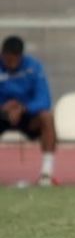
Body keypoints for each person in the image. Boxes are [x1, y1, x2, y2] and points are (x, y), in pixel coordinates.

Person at [0, 36, 57, 185]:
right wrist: (4, 108)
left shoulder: (34, 67)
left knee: (47, 117)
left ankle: (47, 173)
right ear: (2, 54)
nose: (11, 65)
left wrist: (23, 108)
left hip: (27, 116)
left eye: (15, 60)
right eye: (7, 60)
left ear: (21, 56)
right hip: (2, 114)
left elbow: (45, 99)